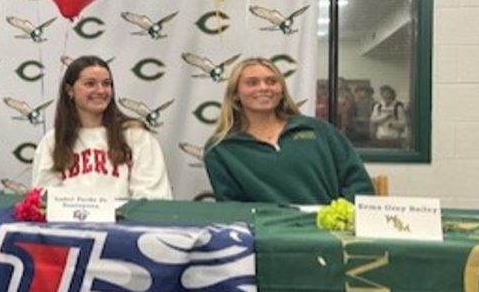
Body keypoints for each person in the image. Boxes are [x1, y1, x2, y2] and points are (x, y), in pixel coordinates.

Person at [204, 57, 373, 204]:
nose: (264, 87)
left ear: (282, 91)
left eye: (272, 81)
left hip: (330, 234)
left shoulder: (320, 130)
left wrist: (343, 219)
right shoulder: (221, 148)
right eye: (252, 82)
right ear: (235, 94)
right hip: (268, 237)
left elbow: (358, 184)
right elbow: (233, 208)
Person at [31, 56, 172, 199]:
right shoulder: (53, 141)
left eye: (106, 84)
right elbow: (45, 199)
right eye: (90, 84)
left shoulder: (136, 136)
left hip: (125, 220)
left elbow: (151, 197)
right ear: (70, 90)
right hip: (68, 221)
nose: (101, 90)